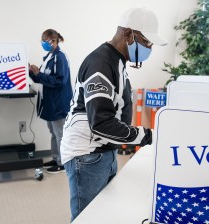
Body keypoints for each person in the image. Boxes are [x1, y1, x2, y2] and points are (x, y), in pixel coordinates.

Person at [60, 7, 167, 221]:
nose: (149, 48)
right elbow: (100, 122)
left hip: (103, 149)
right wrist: (149, 135)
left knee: (103, 213)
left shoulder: (117, 60)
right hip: (87, 154)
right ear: (128, 34)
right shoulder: (101, 63)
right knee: (88, 218)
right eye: (146, 42)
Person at [29, 29, 73, 174]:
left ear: (52, 41)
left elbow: (61, 81)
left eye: (44, 41)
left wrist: (39, 74)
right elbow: (41, 78)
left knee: (60, 134)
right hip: (50, 104)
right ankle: (55, 158)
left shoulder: (60, 58)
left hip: (59, 104)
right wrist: (32, 72)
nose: (42, 44)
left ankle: (63, 163)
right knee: (53, 133)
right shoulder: (49, 57)